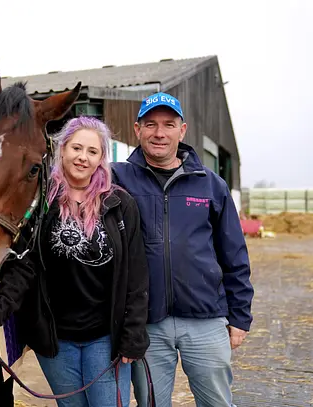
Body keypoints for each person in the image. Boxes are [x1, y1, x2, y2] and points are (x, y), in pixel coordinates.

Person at [0, 116, 150, 407]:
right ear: (62, 149)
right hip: (56, 338)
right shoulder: (40, 203)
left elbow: (137, 276)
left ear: (101, 158)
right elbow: (23, 266)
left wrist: (133, 335)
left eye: (92, 151)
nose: (83, 157)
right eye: (76, 148)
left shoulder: (119, 204)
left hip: (105, 337)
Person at [111, 93, 254, 407]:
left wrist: (240, 315)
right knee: (151, 403)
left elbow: (234, 255)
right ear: (137, 129)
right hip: (146, 322)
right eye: (151, 124)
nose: (159, 133)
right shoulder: (116, 179)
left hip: (206, 318)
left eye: (168, 124)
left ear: (182, 130)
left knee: (217, 402)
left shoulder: (211, 185)